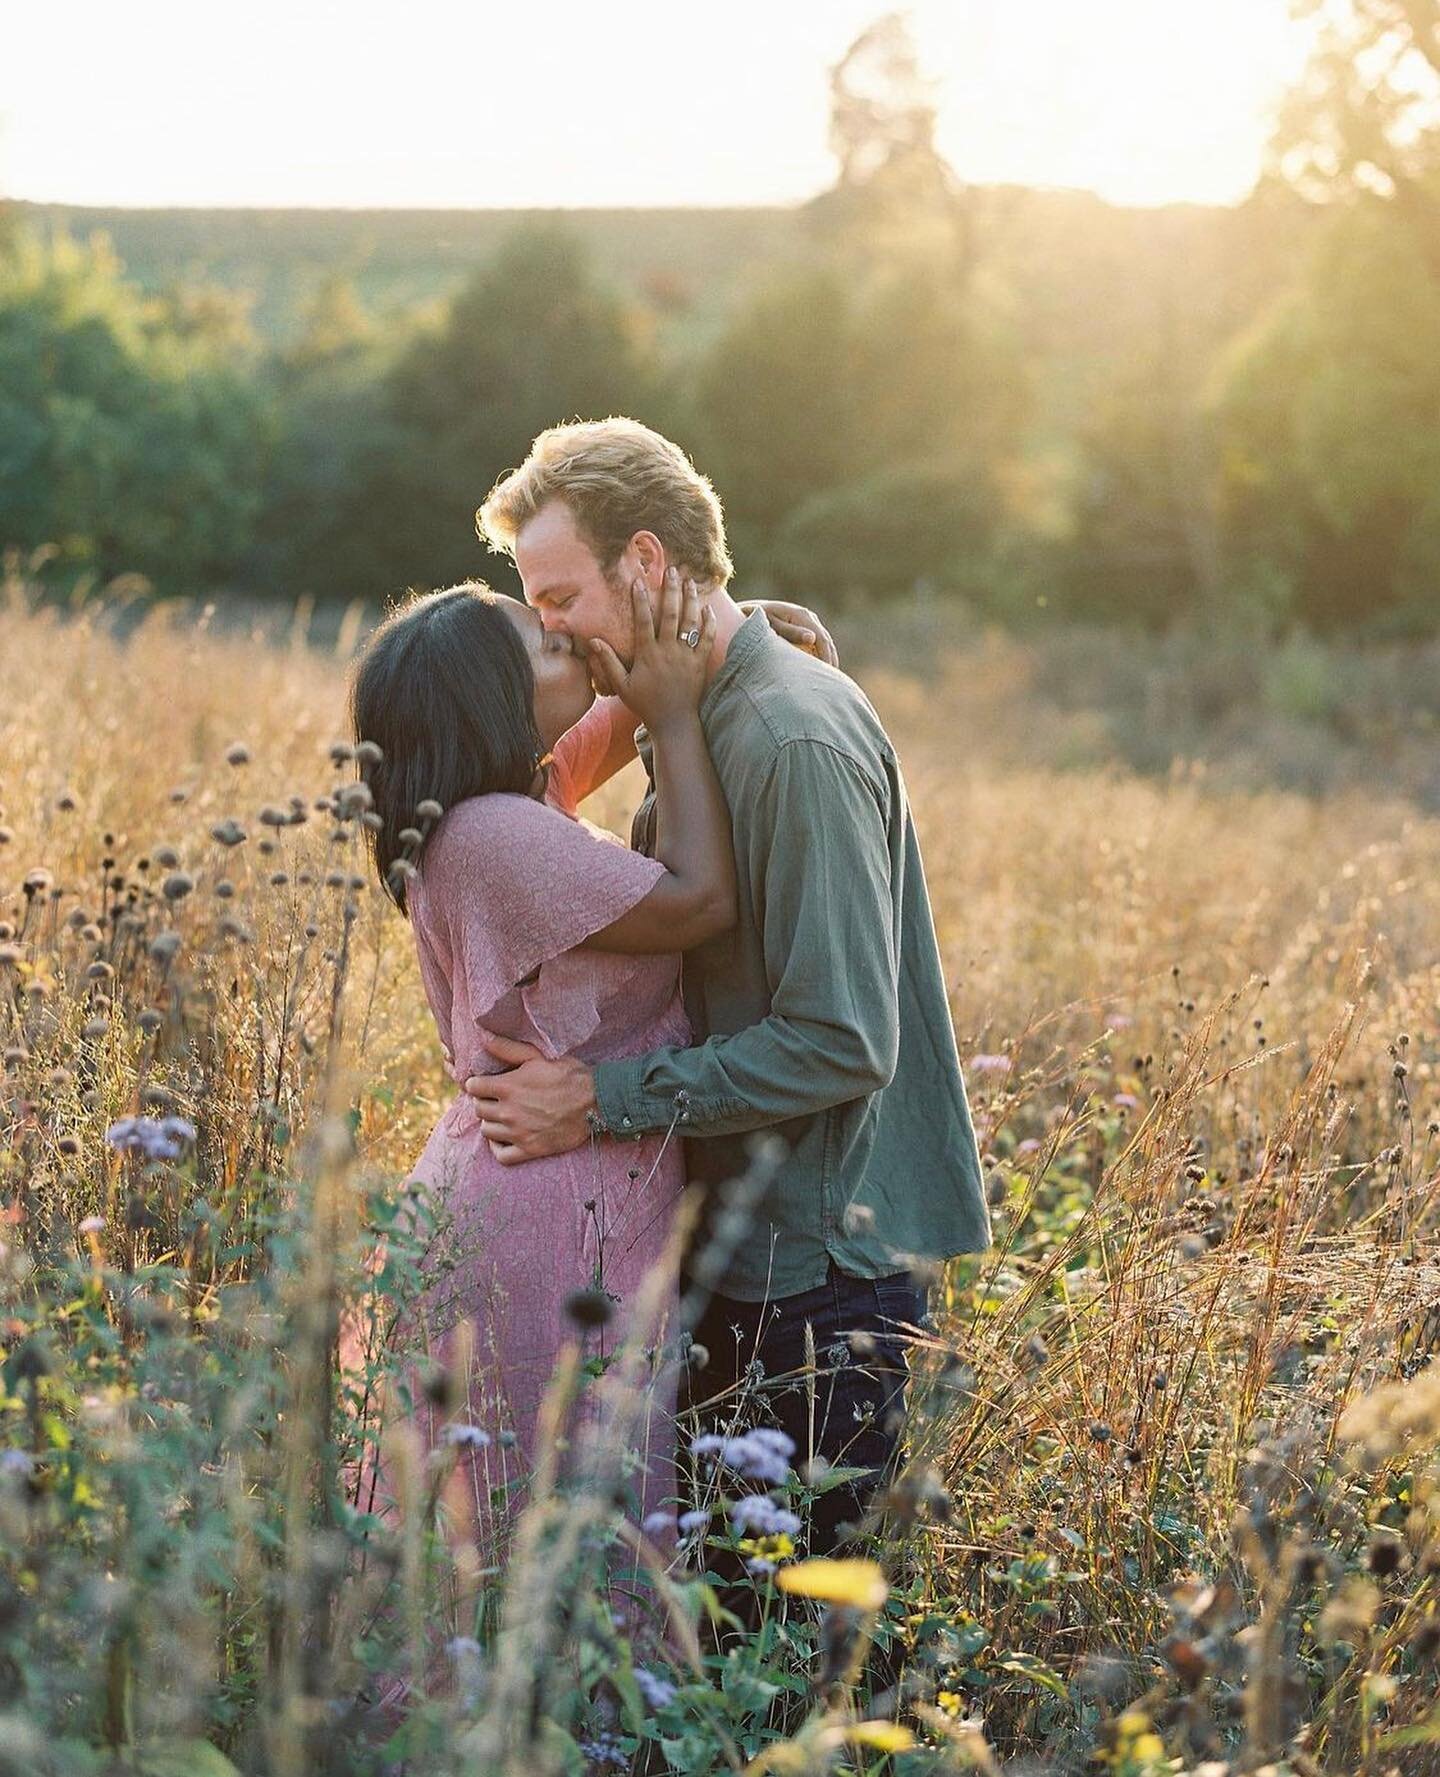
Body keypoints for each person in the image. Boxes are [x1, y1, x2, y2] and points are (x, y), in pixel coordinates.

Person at [462, 418, 993, 1559]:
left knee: (796, 1681)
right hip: (743, 1257)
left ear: (646, 565)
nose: (547, 630)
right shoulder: (686, 710)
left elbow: (845, 1039)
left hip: (819, 1282)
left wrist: (598, 1098)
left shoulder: (788, 737)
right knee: (719, 1658)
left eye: (558, 599)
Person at [346, 573, 832, 1547]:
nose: (574, 643)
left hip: (570, 1167)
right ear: (496, 701)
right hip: (548, 1209)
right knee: (549, 1518)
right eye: (550, 645)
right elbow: (701, 902)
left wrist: (729, 637)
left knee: (556, 1507)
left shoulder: (503, 798)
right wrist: (679, 716)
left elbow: (607, 718)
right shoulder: (494, 836)